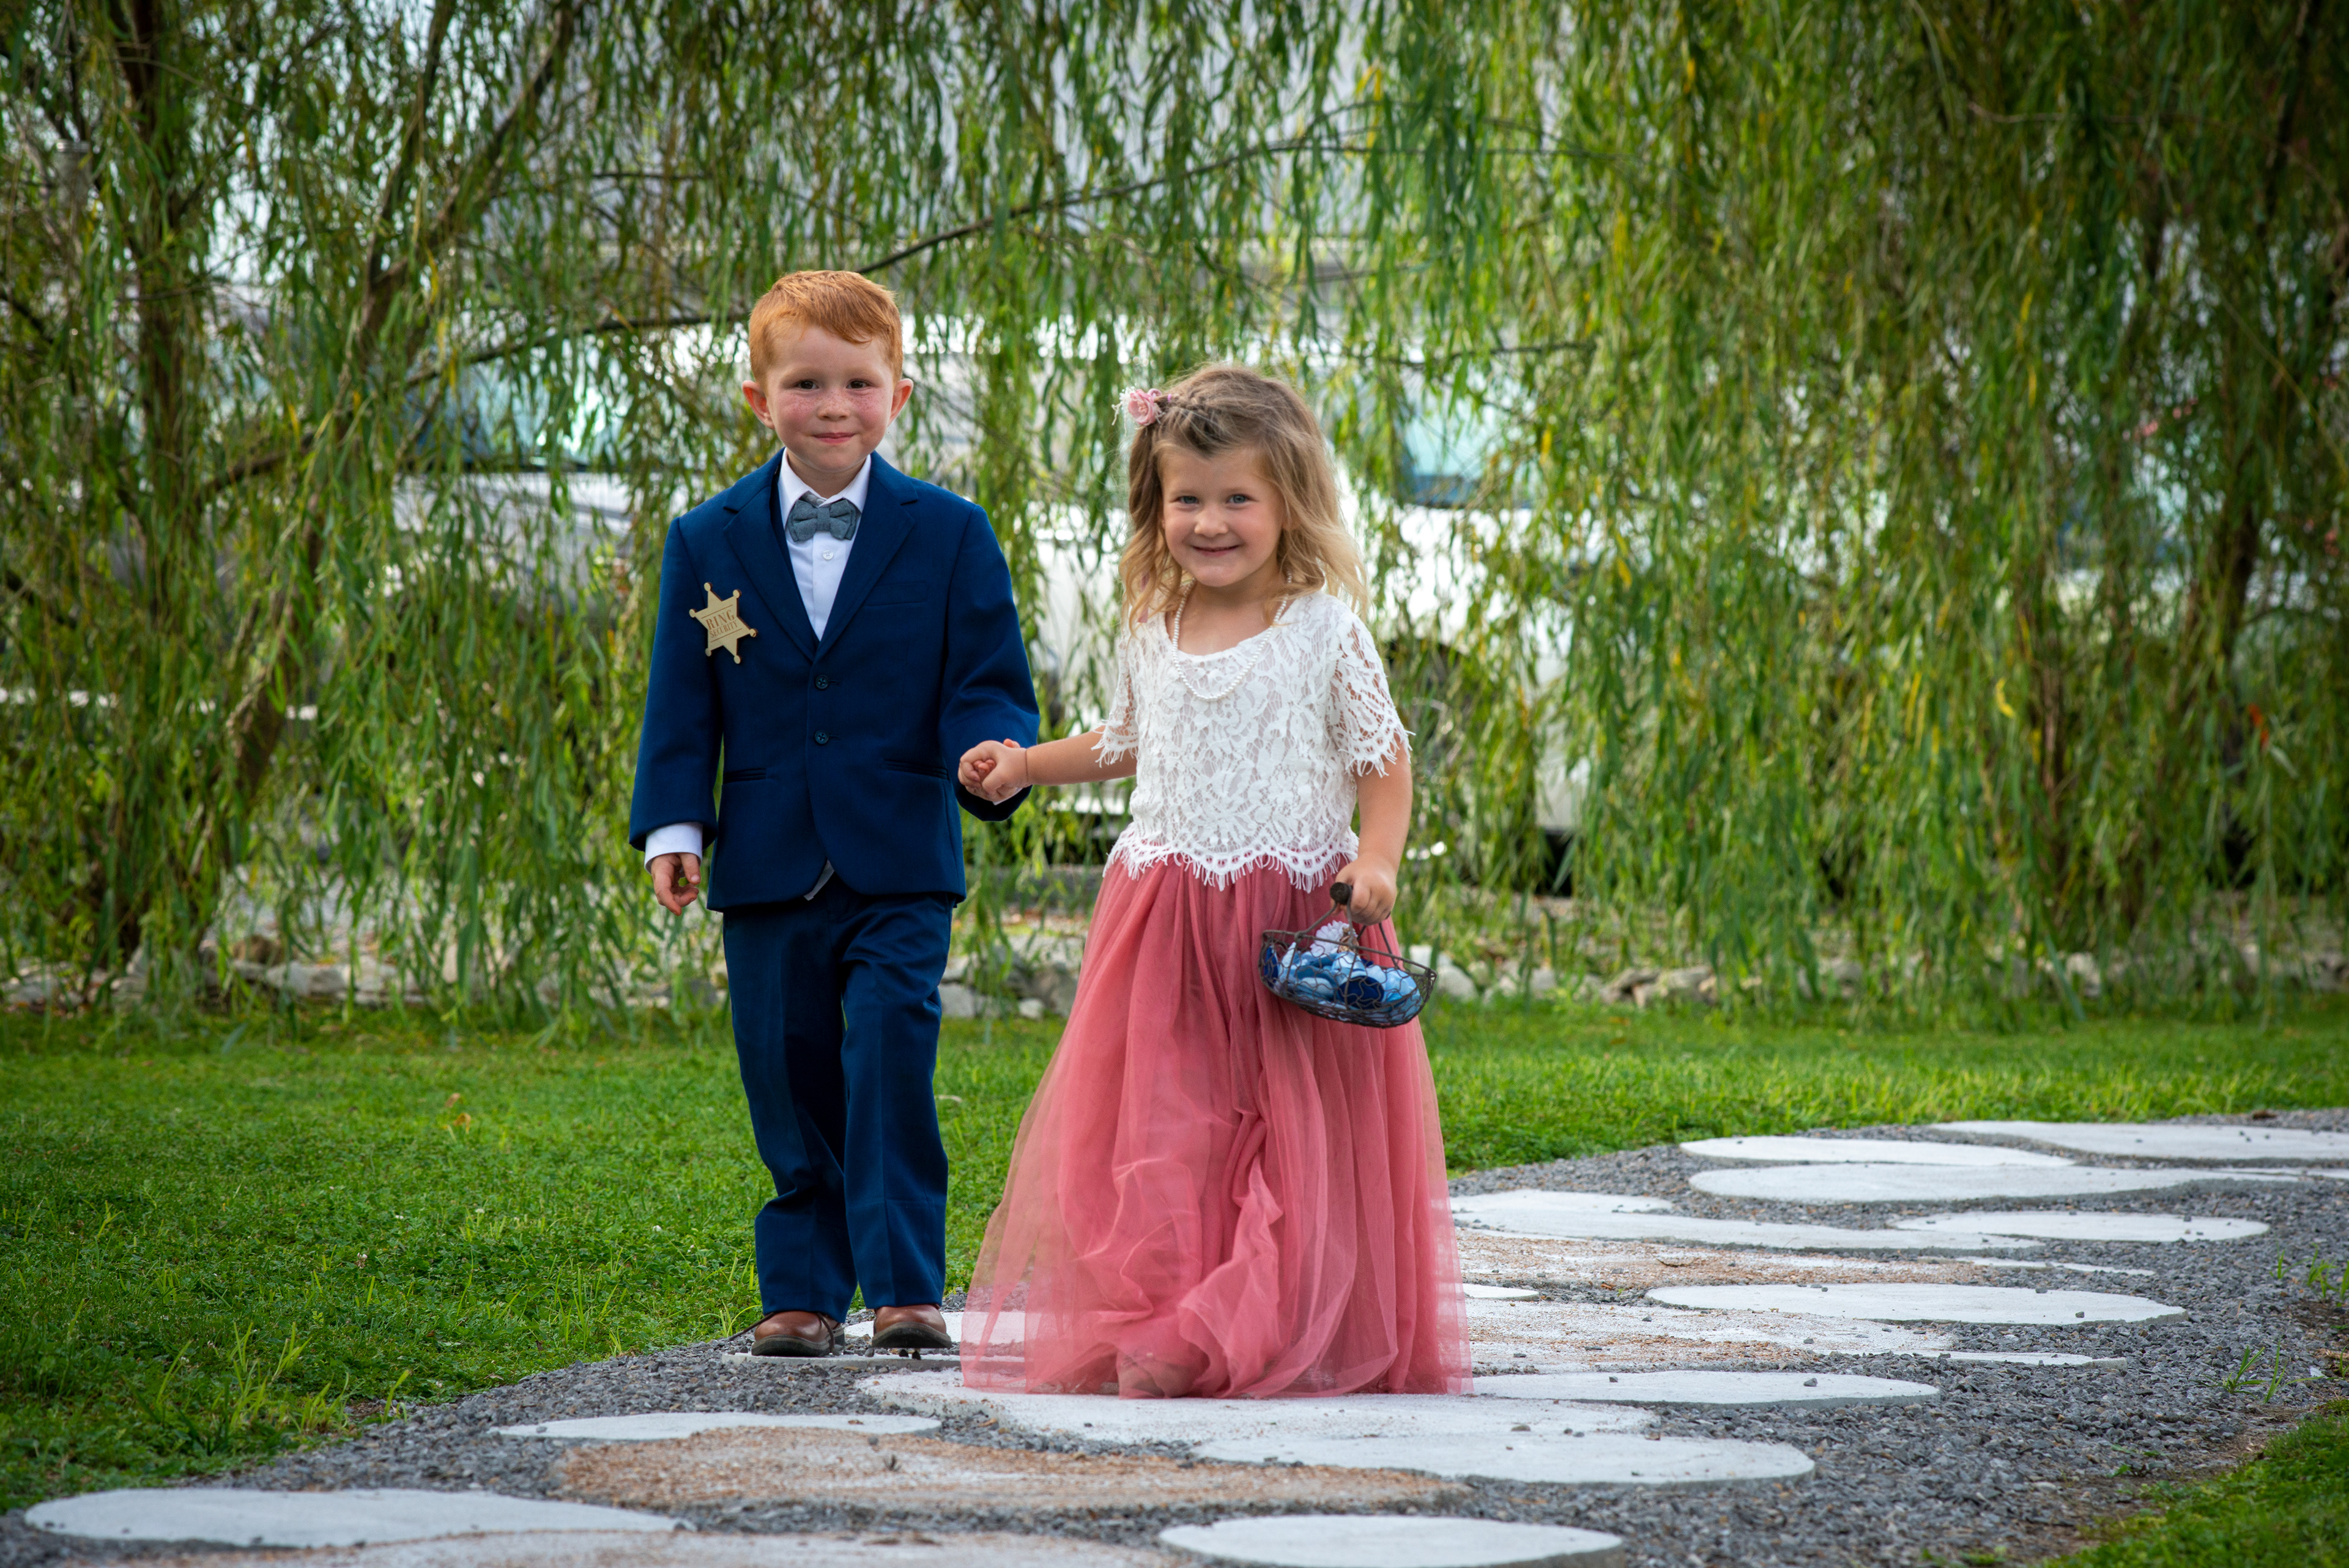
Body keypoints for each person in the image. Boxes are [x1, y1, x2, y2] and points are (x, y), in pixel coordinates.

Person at [954, 364, 1469, 1399]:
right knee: (1170, 1127)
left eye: (1238, 498)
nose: (1211, 522)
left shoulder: (1324, 629)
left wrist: (1376, 860)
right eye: (1187, 499)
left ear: (1289, 503)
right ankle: (1173, 1321)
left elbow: (1383, 761)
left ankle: (1275, 1321)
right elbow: (1126, 740)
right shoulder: (1154, 620)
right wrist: (1026, 764)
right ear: (1156, 504)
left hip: (1291, 923)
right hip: (1165, 914)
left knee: (1284, 1131)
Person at [629, 270, 1039, 1356]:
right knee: (788, 1067)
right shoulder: (707, 538)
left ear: (897, 395)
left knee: (891, 1049)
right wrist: (675, 827)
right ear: (759, 399)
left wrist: (992, 749)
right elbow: (681, 701)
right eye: (806, 383)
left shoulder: (950, 533)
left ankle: (906, 1286)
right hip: (767, 859)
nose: (833, 405)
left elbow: (987, 679)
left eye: (858, 383)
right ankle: (805, 1291)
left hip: (899, 851)